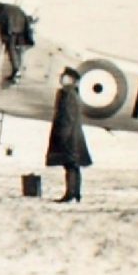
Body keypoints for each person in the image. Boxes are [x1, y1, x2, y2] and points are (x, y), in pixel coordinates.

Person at [45, 67, 92, 203]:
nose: (62, 78)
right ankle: (75, 193)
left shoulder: (67, 93)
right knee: (73, 165)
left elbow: (68, 116)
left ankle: (70, 194)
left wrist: (62, 136)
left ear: (72, 80)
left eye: (65, 77)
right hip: (74, 134)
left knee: (70, 165)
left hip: (67, 134)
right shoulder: (73, 93)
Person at [0, 0, 34, 83]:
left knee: (11, 49)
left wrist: (5, 38)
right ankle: (17, 71)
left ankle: (15, 70)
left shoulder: (3, 11)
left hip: (14, 27)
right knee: (16, 50)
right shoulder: (5, 7)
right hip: (20, 25)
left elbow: (5, 25)